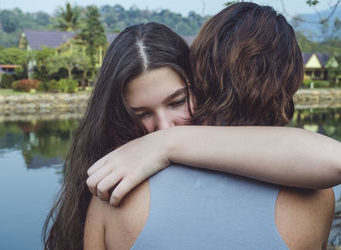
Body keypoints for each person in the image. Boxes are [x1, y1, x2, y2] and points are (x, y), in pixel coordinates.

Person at [44, 20, 338, 250]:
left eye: (177, 102)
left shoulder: (116, 199)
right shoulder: (110, 187)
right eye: (141, 114)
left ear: (201, 85)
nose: (164, 126)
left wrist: (166, 145)